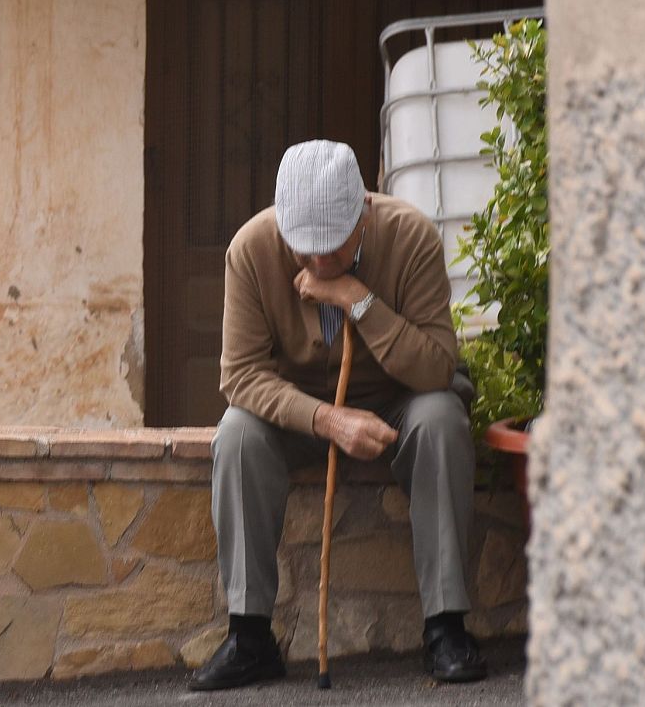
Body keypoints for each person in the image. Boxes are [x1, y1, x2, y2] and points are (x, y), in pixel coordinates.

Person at [189, 139, 487, 690]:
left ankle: (446, 625)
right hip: (302, 407)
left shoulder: (411, 235)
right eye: (305, 249)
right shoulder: (251, 249)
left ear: (364, 211)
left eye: (335, 246)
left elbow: (436, 368)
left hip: (400, 397)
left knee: (441, 419)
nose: (320, 262)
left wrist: (360, 301)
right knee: (236, 435)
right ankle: (249, 634)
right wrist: (328, 419)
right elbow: (242, 376)